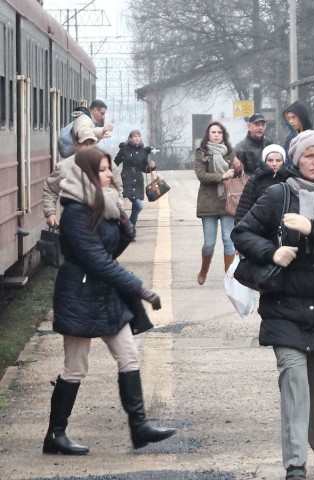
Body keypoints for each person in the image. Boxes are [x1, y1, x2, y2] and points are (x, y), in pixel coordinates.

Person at [232, 130, 314, 480]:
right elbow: (241, 232)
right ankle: (294, 461)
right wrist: (270, 252)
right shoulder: (277, 194)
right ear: (296, 161)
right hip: (285, 304)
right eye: (309, 156)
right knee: (294, 380)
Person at [43, 147, 176, 455]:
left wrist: (126, 230)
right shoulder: (76, 211)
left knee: (129, 355)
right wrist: (141, 289)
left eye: (107, 168)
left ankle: (139, 427)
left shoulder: (104, 206)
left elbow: (110, 252)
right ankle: (55, 435)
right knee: (75, 368)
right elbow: (98, 261)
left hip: (104, 295)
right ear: (87, 174)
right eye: (103, 170)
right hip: (79, 295)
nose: (109, 174)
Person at [44, 127, 123, 228]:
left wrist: (118, 211)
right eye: (84, 143)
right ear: (76, 145)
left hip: (104, 220)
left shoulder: (107, 163)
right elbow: (50, 188)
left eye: (92, 143)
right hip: (76, 222)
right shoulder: (64, 167)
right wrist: (51, 213)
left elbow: (117, 187)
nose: (88, 147)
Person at [194, 121, 243, 283]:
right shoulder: (201, 153)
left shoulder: (230, 152)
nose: (216, 135)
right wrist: (221, 176)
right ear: (208, 135)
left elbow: (237, 175)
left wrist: (238, 168)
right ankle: (203, 270)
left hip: (227, 201)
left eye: (219, 132)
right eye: (213, 132)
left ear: (224, 135)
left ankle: (229, 276)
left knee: (229, 241)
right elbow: (201, 175)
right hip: (208, 202)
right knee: (209, 243)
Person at [234, 144, 287, 225]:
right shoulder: (256, 179)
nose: (274, 163)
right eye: (270, 160)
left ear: (283, 162)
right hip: (259, 225)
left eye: (278, 160)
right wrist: (240, 225)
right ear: (265, 161)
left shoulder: (288, 179)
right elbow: (245, 204)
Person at [114, 130, 156, 227]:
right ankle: (129, 228)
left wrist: (151, 166)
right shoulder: (124, 149)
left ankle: (129, 229)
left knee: (137, 206)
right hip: (126, 180)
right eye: (134, 136)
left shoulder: (143, 151)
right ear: (130, 138)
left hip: (138, 182)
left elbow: (145, 168)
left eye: (139, 136)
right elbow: (115, 163)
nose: (137, 138)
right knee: (137, 205)